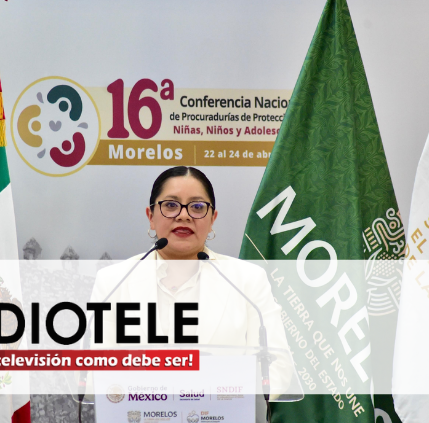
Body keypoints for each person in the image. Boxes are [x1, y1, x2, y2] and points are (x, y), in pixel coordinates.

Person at [88, 166, 294, 409]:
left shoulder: (247, 280)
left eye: (197, 207)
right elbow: (93, 373)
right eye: (171, 205)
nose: (184, 216)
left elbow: (277, 368)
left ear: (212, 219)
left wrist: (211, 395)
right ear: (151, 216)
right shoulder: (113, 282)